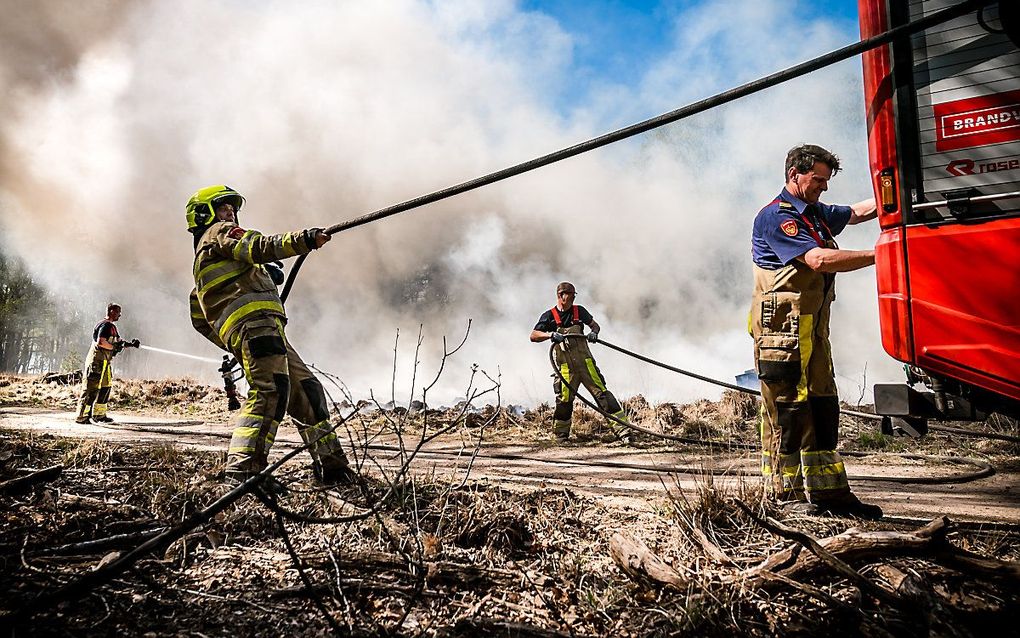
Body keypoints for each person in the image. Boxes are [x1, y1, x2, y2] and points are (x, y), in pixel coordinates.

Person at [185, 185, 354, 485]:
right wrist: (304, 240)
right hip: (257, 326)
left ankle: (332, 465)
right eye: (224, 208)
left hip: (265, 329)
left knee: (306, 390)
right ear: (204, 215)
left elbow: (199, 317)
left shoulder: (211, 260)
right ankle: (243, 470)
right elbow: (256, 245)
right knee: (270, 391)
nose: (231, 214)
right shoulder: (218, 234)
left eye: (233, 209)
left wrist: (234, 339)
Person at [749, 144, 882, 519]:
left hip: (811, 329)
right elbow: (819, 260)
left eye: (826, 181)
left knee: (823, 403)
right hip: (782, 331)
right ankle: (784, 497)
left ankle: (829, 492)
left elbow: (856, 212)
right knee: (787, 409)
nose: (823, 188)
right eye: (817, 180)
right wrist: (882, 254)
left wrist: (894, 191)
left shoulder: (815, 213)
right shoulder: (777, 218)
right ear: (795, 174)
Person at [530, 282, 632, 443]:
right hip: (565, 368)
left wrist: (594, 333)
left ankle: (624, 432)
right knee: (564, 400)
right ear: (561, 295)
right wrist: (550, 335)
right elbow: (534, 335)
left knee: (603, 395)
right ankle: (560, 436)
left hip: (586, 364)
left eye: (574, 295)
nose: (573, 298)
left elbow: (595, 326)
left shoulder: (579, 311)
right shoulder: (549, 316)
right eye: (571, 295)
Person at [75, 303, 138, 424]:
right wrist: (114, 348)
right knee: (91, 389)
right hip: (96, 362)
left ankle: (99, 415)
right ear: (111, 311)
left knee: (105, 387)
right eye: (118, 312)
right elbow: (101, 342)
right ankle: (82, 416)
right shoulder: (105, 325)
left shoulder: (112, 327)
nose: (120, 315)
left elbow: (119, 342)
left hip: (105, 362)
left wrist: (131, 344)